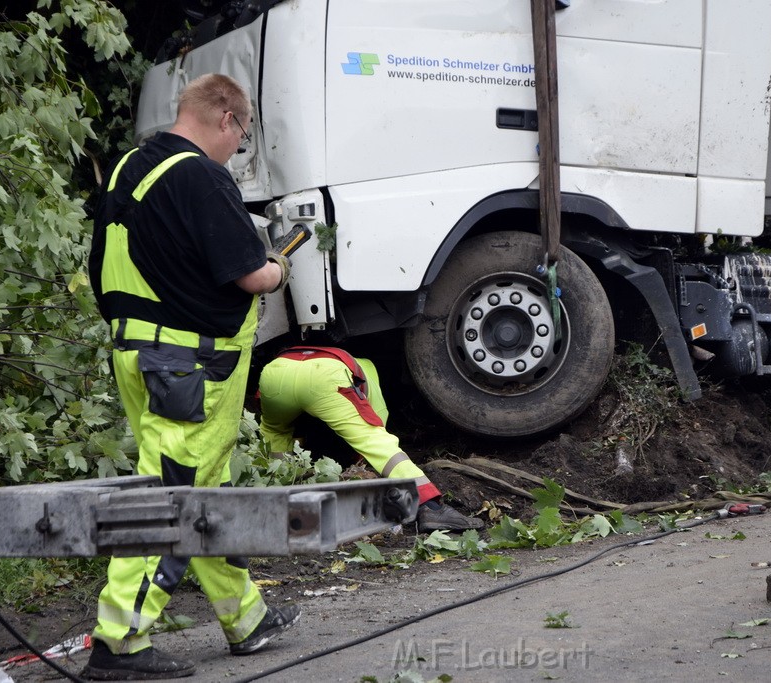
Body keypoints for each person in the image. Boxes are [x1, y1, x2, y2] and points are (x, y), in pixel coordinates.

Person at [86, 74, 298, 680]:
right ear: (227, 118)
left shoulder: (130, 165)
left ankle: (246, 617)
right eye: (244, 133)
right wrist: (279, 265)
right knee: (172, 499)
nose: (240, 146)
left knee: (200, 486)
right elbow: (250, 276)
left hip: (138, 354)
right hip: (192, 367)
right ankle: (119, 642)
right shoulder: (202, 176)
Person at [257, 346, 484, 532]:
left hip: (275, 372)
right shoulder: (369, 371)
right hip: (324, 375)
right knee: (373, 440)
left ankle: (279, 500)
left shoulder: (327, 354)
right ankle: (430, 506)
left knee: (275, 432)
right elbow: (376, 427)